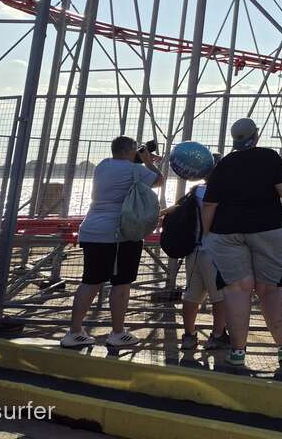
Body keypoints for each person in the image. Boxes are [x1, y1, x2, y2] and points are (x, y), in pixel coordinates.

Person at [201, 117, 282, 368]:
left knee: (237, 289)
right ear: (255, 135)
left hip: (227, 232)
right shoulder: (269, 157)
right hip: (269, 229)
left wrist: (207, 233)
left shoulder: (223, 165)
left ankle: (237, 351)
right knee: (271, 288)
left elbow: (209, 204)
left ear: (234, 140)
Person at [62, 136, 162, 349]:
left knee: (90, 282)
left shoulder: (103, 166)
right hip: (118, 234)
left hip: (91, 230)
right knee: (121, 284)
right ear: (131, 151)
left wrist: (141, 160)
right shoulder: (136, 170)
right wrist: (148, 162)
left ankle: (74, 331)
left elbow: (124, 172)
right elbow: (159, 179)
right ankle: (117, 332)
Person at [181, 154, 228, 350]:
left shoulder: (194, 191)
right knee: (220, 297)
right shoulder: (222, 193)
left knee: (192, 295)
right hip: (215, 252)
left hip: (194, 250)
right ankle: (217, 334)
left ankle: (189, 335)